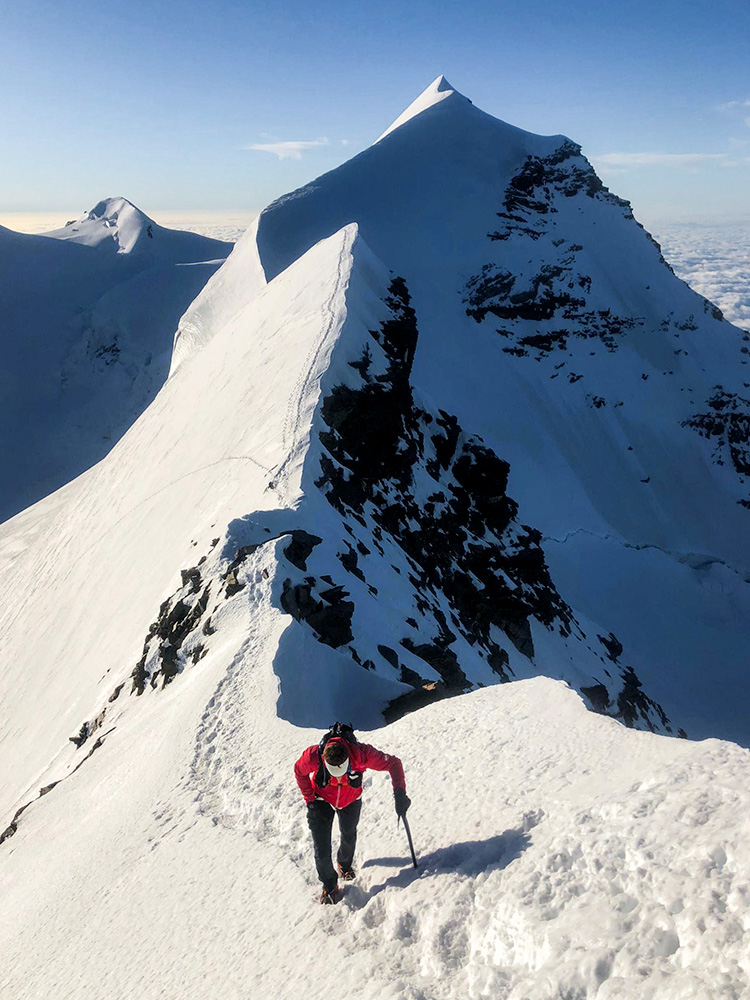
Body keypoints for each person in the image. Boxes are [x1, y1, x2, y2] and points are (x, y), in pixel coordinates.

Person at [294, 725, 410, 904]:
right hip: (320, 799)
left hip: (351, 799)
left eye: (343, 773)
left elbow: (393, 763)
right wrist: (310, 800)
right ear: (324, 761)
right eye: (334, 774)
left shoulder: (362, 754)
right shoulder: (313, 756)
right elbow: (299, 771)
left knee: (348, 834)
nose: (339, 779)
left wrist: (400, 793)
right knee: (321, 847)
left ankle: (344, 864)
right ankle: (330, 885)